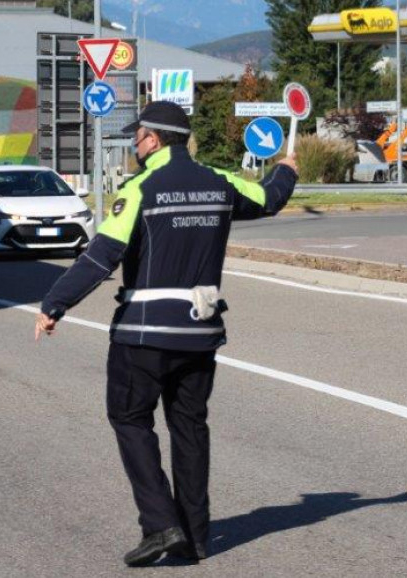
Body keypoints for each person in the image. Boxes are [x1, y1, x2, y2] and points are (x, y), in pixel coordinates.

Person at [34, 101, 298, 567]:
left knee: (130, 418)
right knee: (190, 428)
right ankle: (196, 539)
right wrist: (285, 171)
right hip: (201, 330)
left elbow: (102, 256)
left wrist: (55, 304)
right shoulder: (219, 181)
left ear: (154, 140)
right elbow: (268, 199)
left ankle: (161, 525)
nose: (135, 145)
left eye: (138, 138)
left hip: (144, 332)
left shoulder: (140, 189)